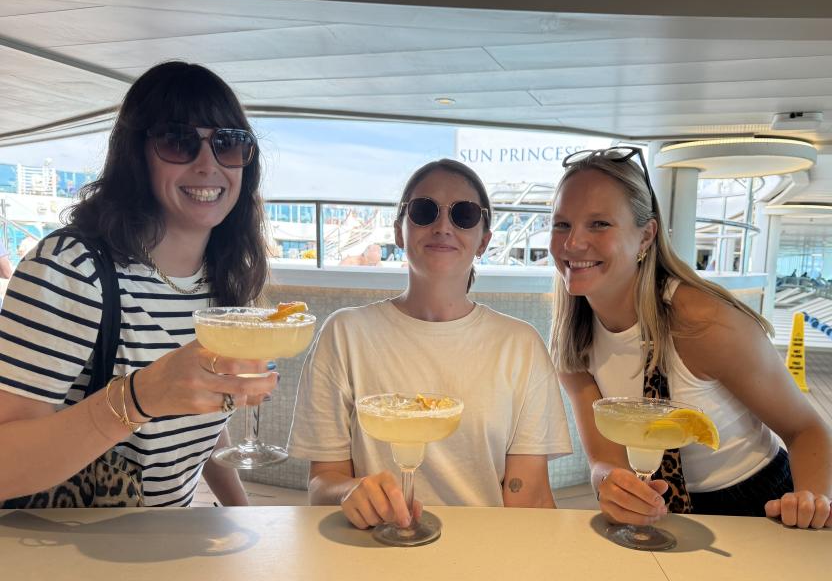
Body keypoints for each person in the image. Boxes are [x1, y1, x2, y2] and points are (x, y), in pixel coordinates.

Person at [0, 61, 277, 507]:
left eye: (228, 144)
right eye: (178, 141)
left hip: (164, 544)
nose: (207, 164)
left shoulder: (222, 278)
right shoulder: (72, 270)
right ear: (136, 155)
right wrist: (139, 397)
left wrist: (242, 512)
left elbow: (195, 406)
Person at [549, 147, 832, 529]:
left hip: (760, 504)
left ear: (646, 236)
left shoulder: (703, 321)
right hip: (661, 513)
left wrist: (812, 502)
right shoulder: (572, 337)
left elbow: (807, 430)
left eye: (599, 224)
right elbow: (605, 459)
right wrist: (610, 487)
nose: (572, 244)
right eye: (562, 224)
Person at [289, 159, 571, 530]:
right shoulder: (345, 333)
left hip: (484, 551)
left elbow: (528, 496)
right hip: (374, 547)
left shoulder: (520, 345)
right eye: (424, 211)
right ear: (399, 232)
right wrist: (348, 493)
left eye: (464, 215)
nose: (442, 227)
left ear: (484, 240)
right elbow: (323, 481)